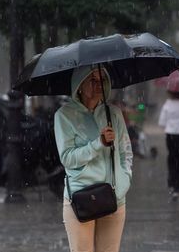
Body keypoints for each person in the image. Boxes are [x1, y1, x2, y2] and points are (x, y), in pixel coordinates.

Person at [54, 65, 133, 252]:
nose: (99, 85)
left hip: (114, 196)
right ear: (79, 85)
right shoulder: (64, 116)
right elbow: (67, 158)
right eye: (93, 80)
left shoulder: (113, 113)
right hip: (81, 198)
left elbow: (125, 151)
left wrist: (124, 179)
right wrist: (98, 144)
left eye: (102, 80)